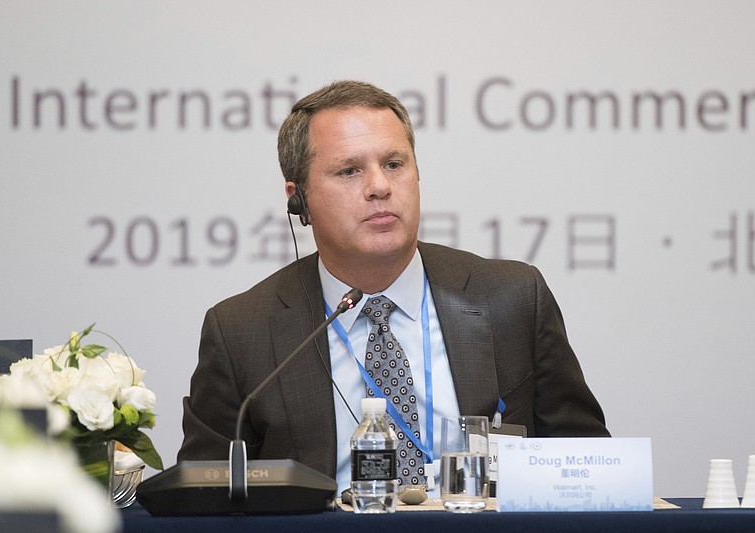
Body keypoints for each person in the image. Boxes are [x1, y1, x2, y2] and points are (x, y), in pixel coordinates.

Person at [177, 80, 609, 493]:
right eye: (349, 171)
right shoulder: (241, 332)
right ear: (299, 200)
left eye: (394, 164)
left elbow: (587, 466)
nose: (380, 187)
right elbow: (204, 497)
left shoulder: (511, 298)